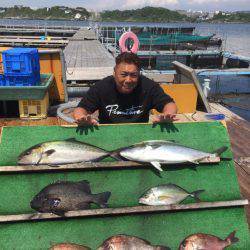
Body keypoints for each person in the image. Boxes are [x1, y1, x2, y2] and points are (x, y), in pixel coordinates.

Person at [73, 52, 177, 125]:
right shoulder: (101, 87)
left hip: (139, 133)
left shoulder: (148, 86)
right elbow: (80, 109)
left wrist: (168, 115)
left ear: (139, 74)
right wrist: (82, 118)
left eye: (133, 75)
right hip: (109, 133)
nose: (128, 80)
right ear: (114, 73)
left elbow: (169, 104)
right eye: (123, 74)